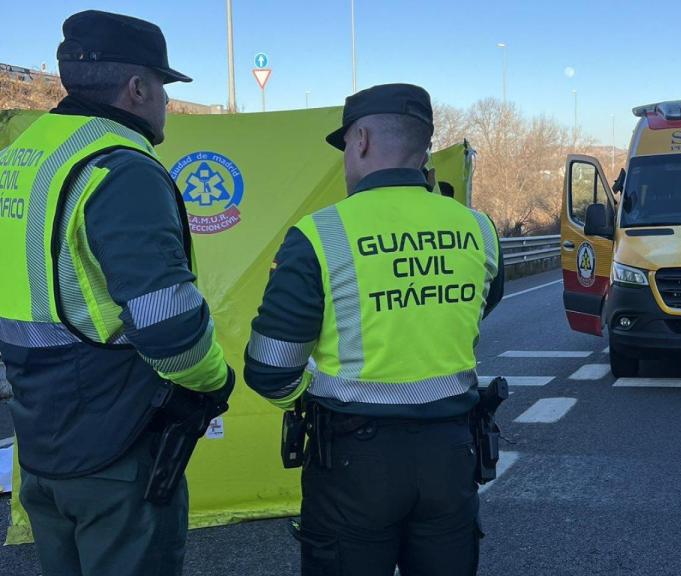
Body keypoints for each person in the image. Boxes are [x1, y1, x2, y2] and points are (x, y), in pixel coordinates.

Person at [0, 10, 233, 576]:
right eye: (162, 86)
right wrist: (214, 380)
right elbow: (167, 324)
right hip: (115, 443)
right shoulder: (120, 167)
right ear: (137, 88)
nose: (166, 102)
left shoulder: (21, 158)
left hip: (40, 435)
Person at [244, 83, 504, 576]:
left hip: (352, 461)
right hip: (452, 455)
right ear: (424, 146)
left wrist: (307, 398)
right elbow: (479, 306)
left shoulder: (320, 234)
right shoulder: (479, 229)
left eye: (345, 146)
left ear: (360, 140)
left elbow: (271, 370)